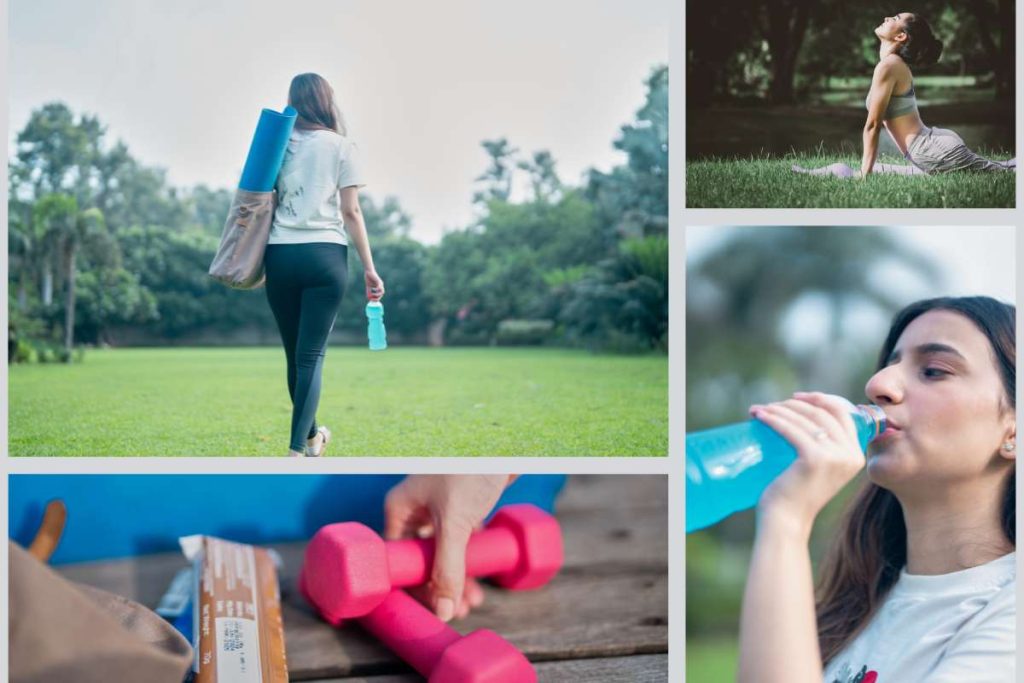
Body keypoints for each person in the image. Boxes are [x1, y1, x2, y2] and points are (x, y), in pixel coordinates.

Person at [737, 297, 1015, 682]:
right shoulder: (856, 602)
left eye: (933, 371)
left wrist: (786, 520)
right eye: (890, 364)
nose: (877, 384)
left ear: (1013, 429)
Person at [264, 73, 385, 457]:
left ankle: (313, 439)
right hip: (325, 256)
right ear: (326, 101)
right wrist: (370, 267)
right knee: (310, 357)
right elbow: (351, 211)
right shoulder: (342, 146)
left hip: (280, 254)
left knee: (295, 357)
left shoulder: (278, 145)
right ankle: (297, 450)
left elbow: (257, 196)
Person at [793, 14, 1015, 178]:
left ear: (900, 35)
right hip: (929, 149)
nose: (887, 17)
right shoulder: (891, 65)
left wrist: (864, 175)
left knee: (1005, 171)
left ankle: (806, 174)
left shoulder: (889, 66)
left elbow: (872, 125)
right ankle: (805, 173)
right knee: (1004, 168)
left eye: (895, 18)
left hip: (932, 151)